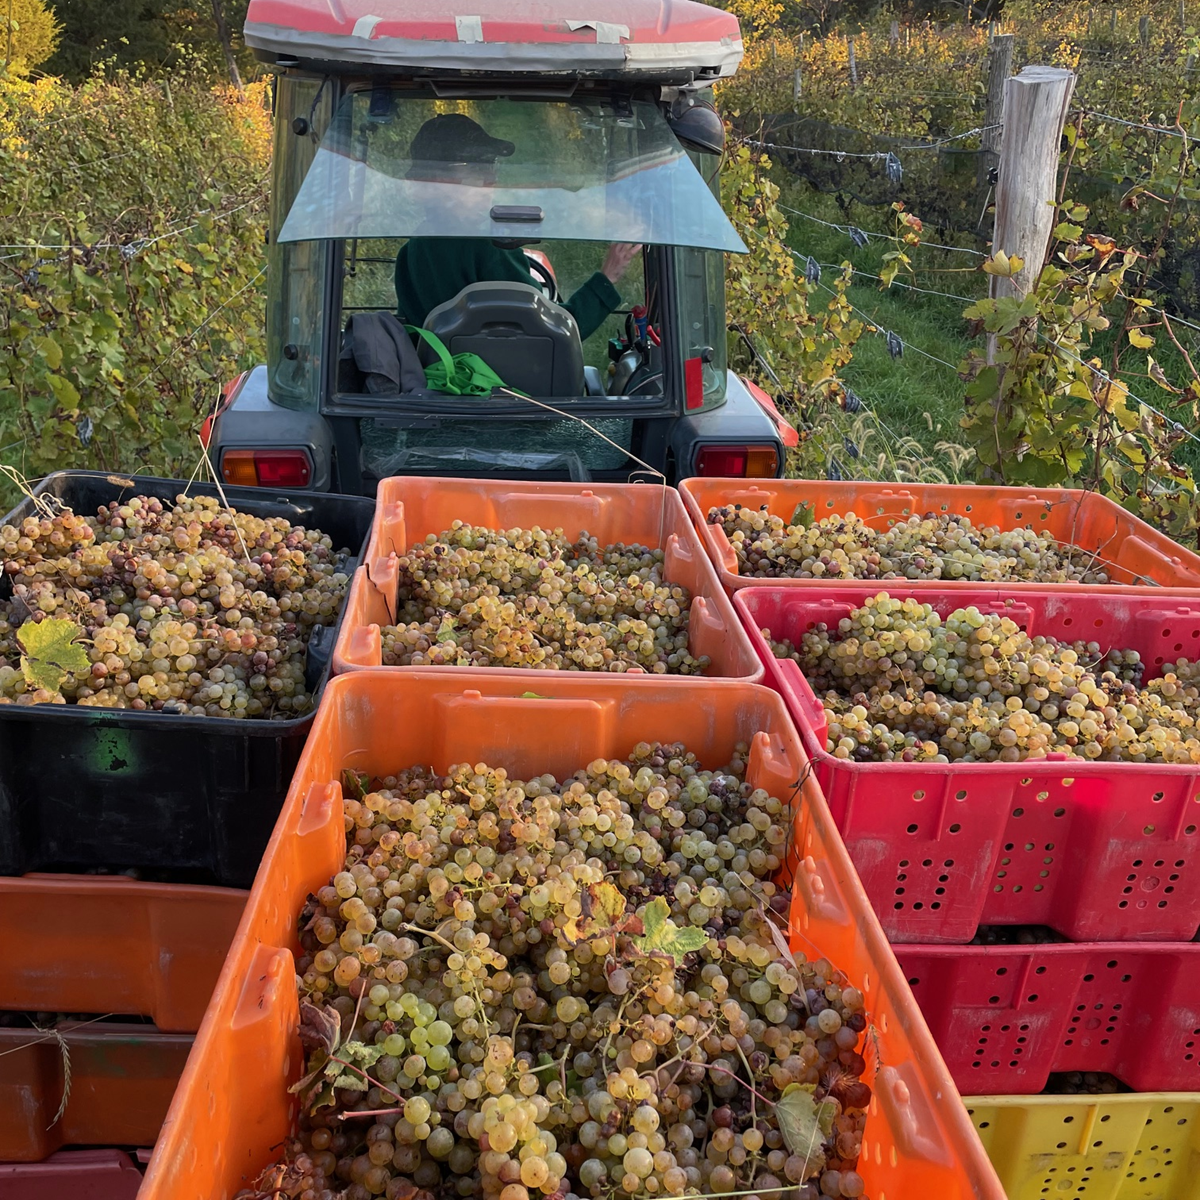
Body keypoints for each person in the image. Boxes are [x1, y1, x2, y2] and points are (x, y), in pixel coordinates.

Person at [394, 113, 641, 341]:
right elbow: (557, 334)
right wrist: (608, 276)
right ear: (436, 181)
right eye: (477, 170)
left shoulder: (410, 253)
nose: (491, 180)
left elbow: (414, 342)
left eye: (491, 166)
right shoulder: (488, 247)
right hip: (503, 377)